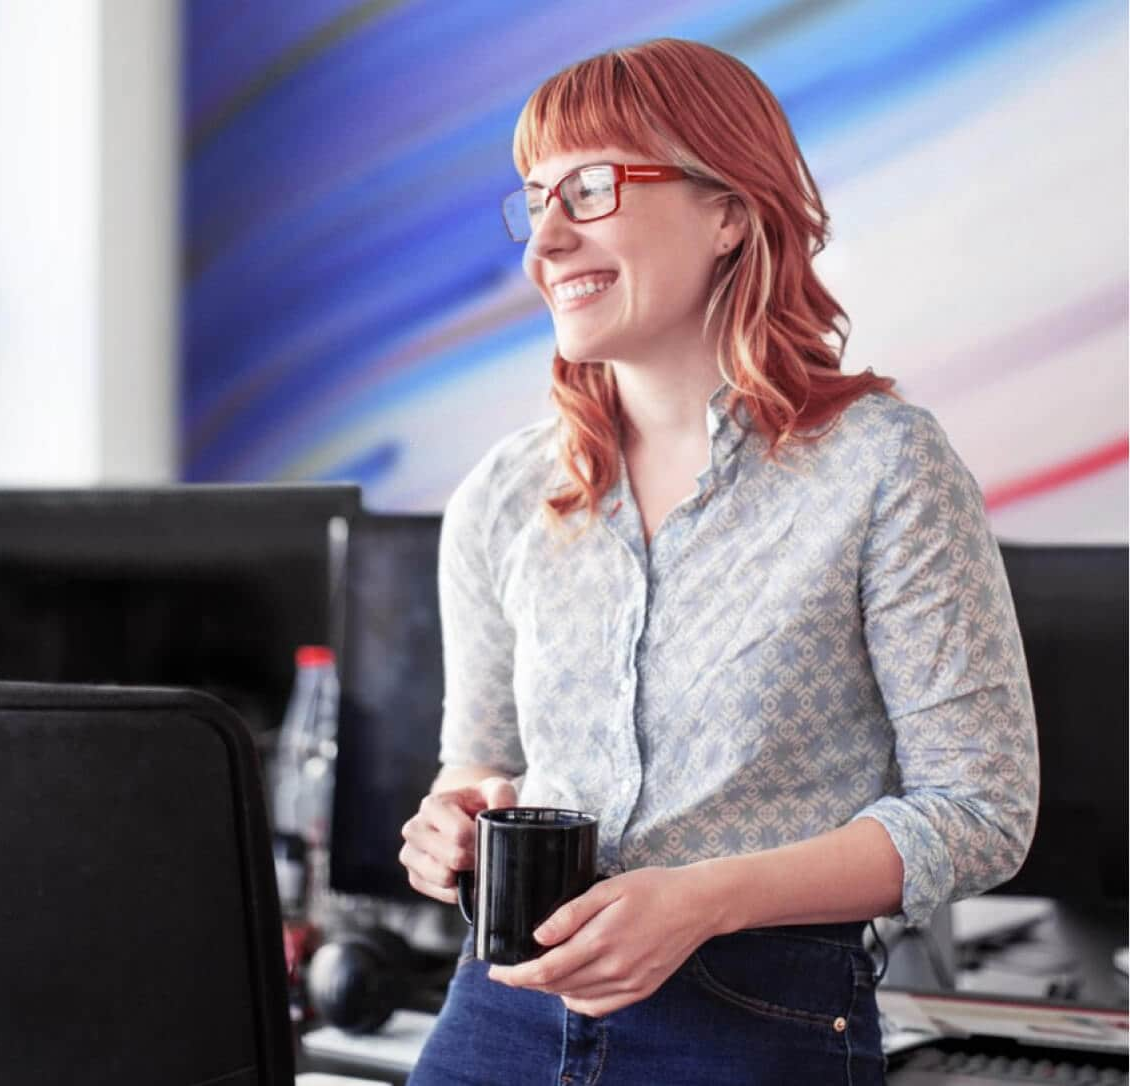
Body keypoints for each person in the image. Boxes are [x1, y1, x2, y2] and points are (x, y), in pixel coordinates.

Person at [398, 37, 1040, 1085]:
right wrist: (450, 824)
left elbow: (977, 814)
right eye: (533, 198)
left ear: (729, 209)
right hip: (501, 1012)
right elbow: (477, 762)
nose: (544, 241)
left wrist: (703, 898)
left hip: (752, 1017)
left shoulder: (883, 468)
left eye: (591, 188)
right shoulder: (501, 496)